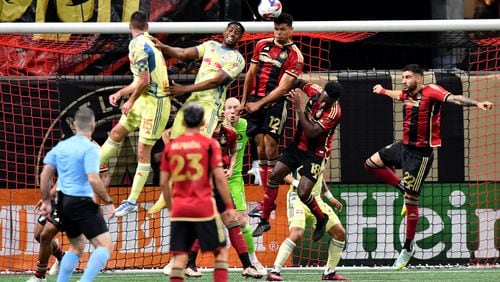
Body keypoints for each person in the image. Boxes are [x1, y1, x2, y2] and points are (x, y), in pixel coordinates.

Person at [367, 64, 493, 270]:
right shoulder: (406, 94)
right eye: (403, 77)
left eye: (408, 77)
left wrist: (476, 103)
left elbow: (455, 98)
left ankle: (407, 247)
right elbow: (396, 94)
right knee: (371, 164)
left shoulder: (431, 91)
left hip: (420, 155)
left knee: (411, 202)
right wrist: (382, 90)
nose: (404, 81)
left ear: (418, 78)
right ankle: (402, 186)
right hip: (403, 146)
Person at [148, 21, 246, 213]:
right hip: (193, 100)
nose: (233, 33)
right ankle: (166, 195)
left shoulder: (237, 59)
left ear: (240, 38)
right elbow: (184, 53)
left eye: (237, 32)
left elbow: (216, 81)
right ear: (224, 31)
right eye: (231, 29)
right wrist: (164, 47)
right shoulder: (210, 46)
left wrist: (185, 88)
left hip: (210, 106)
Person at [162, 107, 262, 279]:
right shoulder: (203, 140)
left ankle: (247, 265)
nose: (222, 113)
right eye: (218, 110)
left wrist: (230, 169)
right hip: (201, 187)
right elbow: (166, 135)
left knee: (229, 222)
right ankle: (187, 264)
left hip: (202, 188)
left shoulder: (226, 134)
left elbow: (233, 152)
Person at [99, 10, 171, 217]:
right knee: (116, 133)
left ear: (130, 27)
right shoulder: (149, 42)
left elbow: (145, 81)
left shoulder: (138, 45)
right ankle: (91, 169)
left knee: (143, 152)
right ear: (146, 26)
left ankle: (131, 201)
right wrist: (121, 92)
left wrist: (129, 101)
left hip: (156, 104)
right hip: (144, 99)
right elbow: (140, 80)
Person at [253, 79, 342, 242]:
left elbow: (312, 132)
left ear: (334, 101)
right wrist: (284, 91)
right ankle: (264, 221)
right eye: (323, 95)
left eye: (327, 100)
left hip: (316, 153)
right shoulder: (315, 90)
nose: (322, 100)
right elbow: (297, 81)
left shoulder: (334, 112)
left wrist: (298, 108)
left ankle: (321, 219)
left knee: (302, 192)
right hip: (297, 146)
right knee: (274, 177)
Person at [159, 102, 236, 282]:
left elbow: (163, 182)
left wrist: (171, 206)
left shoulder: (172, 146)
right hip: (203, 206)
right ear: (203, 121)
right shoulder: (210, 144)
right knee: (220, 254)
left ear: (183, 122)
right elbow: (219, 178)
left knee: (179, 258)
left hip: (180, 207)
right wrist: (229, 206)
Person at [38, 108, 115, 282]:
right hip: (82, 202)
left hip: (63, 203)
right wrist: (108, 201)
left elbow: (45, 175)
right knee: (105, 246)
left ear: (74, 125)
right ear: (94, 125)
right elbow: (94, 179)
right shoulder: (92, 148)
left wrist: (46, 201)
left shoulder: (62, 146)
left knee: (77, 246)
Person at [240, 12, 304, 218]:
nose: (278, 32)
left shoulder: (296, 56)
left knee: (270, 147)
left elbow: (283, 88)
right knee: (259, 150)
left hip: (275, 103)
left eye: (282, 29)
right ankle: (266, 199)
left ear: (291, 30)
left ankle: (269, 201)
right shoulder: (262, 45)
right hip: (254, 100)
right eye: (276, 29)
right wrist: (244, 101)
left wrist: (259, 104)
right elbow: (250, 73)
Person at [267, 174, 349, 281]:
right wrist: (298, 184)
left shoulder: (324, 156)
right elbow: (283, 173)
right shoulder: (297, 156)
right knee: (297, 233)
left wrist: (329, 196)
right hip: (297, 197)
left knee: (340, 233)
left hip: (316, 199)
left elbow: (320, 173)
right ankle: (275, 271)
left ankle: (330, 272)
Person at [26, 184, 64, 282]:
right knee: (38, 235)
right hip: (54, 201)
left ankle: (39, 276)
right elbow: (62, 178)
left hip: (68, 203)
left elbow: (101, 177)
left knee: (45, 236)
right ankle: (62, 257)